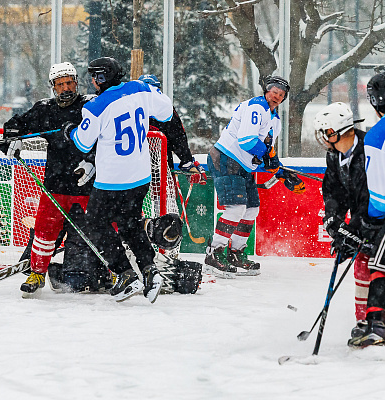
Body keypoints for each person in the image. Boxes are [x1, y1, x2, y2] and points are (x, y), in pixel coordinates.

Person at [0, 61, 121, 297]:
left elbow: (109, 137)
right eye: (59, 84)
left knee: (105, 230)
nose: (65, 88)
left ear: (76, 82)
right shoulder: (45, 109)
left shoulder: (91, 105)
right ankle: (37, 272)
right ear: (52, 87)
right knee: (45, 231)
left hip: (90, 185)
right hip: (55, 186)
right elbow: (16, 124)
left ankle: (116, 271)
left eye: (69, 82)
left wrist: (93, 161)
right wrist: (12, 139)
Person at [63, 57, 174, 304]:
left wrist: (71, 129)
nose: (92, 81)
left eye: (95, 76)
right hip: (141, 174)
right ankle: (149, 270)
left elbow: (82, 142)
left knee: (95, 224)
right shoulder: (140, 88)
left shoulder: (96, 106)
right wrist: (149, 92)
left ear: (101, 78)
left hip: (112, 180)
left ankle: (125, 273)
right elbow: (166, 112)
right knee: (130, 222)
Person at [204, 76, 305, 279]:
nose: (277, 96)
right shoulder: (256, 107)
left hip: (243, 166)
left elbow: (267, 151)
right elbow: (248, 141)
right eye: (274, 91)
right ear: (266, 91)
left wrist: (281, 173)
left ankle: (236, 254)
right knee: (236, 208)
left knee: (251, 208)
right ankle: (213, 254)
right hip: (227, 158)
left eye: (281, 94)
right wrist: (268, 158)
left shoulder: (274, 119)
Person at [313, 101, 370, 340]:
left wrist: (354, 228)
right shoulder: (335, 156)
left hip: (376, 216)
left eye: (324, 132)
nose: (322, 138)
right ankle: (364, 321)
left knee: (373, 265)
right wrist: (335, 222)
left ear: (333, 131)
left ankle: (375, 320)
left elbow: (372, 194)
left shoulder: (370, 150)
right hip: (364, 217)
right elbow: (334, 191)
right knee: (362, 264)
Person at [346, 73, 385, 347]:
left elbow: (380, 195)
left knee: (378, 266)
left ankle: (377, 326)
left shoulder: (376, 136)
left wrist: (369, 220)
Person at [137, 74, 207, 185]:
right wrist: (186, 161)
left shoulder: (129, 107)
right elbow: (178, 137)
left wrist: (186, 161)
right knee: (159, 198)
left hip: (137, 169)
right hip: (157, 167)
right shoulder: (163, 108)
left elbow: (177, 136)